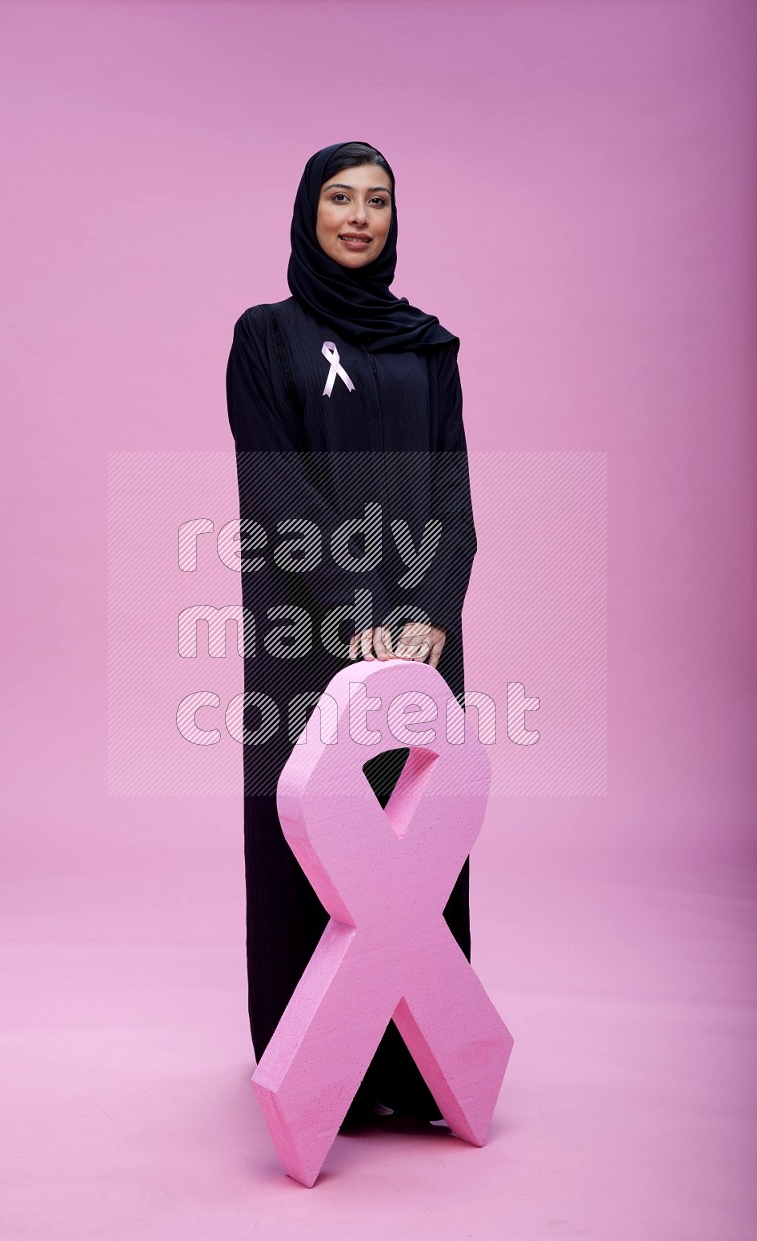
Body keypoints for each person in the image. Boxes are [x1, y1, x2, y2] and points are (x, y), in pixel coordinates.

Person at [225, 141, 478, 1129]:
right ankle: (313, 1073)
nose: (359, 215)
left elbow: (451, 496)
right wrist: (362, 611)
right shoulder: (266, 337)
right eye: (340, 197)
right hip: (304, 632)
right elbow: (277, 488)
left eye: (377, 200)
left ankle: (415, 1073)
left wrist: (424, 615)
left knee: (414, 843)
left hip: (417, 641)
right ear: (308, 210)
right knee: (311, 842)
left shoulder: (426, 346)